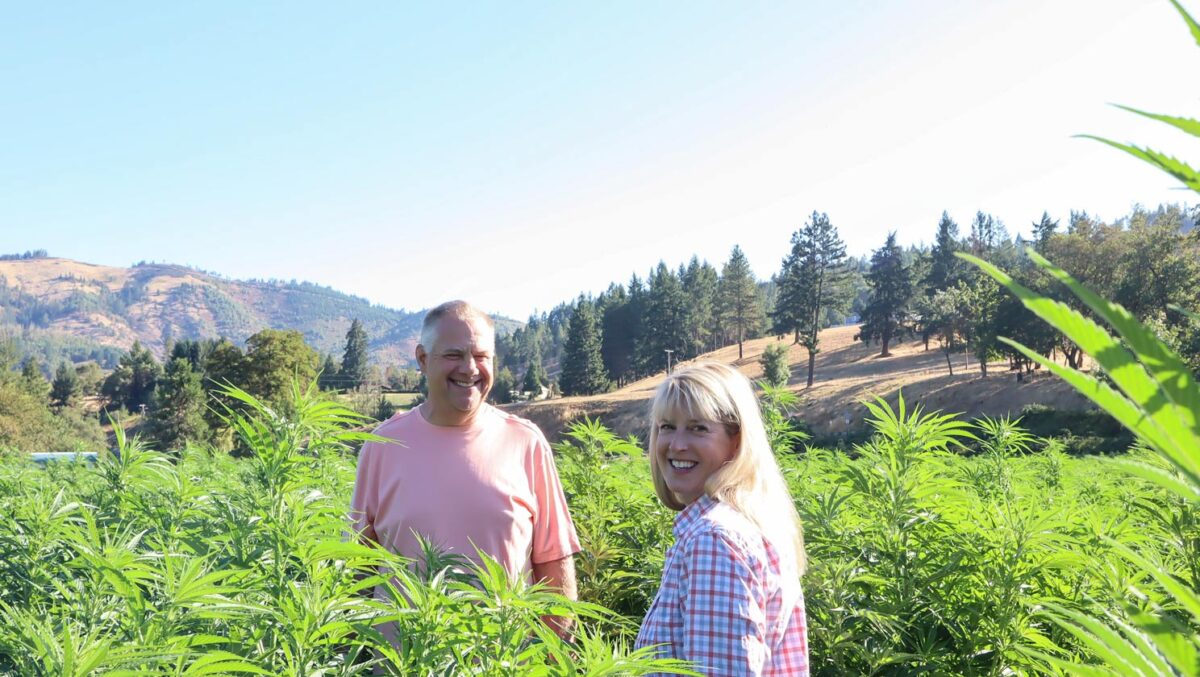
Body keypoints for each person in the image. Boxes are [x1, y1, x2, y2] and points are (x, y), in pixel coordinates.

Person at [350, 300, 581, 640]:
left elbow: (554, 567)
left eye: (481, 356)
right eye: (454, 355)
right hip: (404, 664)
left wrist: (555, 657)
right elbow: (358, 568)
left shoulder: (526, 442)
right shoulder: (383, 446)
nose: (470, 368)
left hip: (505, 662)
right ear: (423, 359)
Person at [635, 361, 809, 676]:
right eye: (666, 426)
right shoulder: (747, 524)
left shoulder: (714, 541)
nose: (676, 444)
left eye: (698, 427)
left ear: (737, 440)